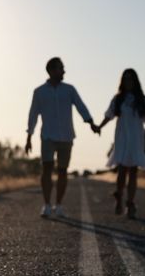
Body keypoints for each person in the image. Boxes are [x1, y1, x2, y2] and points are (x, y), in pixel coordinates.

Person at [25, 57, 100, 217]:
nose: (63, 71)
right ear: (52, 70)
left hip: (66, 136)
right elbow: (33, 114)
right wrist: (29, 137)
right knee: (47, 169)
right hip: (47, 136)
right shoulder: (39, 92)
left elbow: (81, 106)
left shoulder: (69, 89)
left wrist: (91, 123)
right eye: (61, 68)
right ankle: (46, 205)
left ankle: (58, 205)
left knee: (63, 171)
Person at [97, 68, 145, 219]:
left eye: (131, 78)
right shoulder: (118, 99)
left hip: (136, 137)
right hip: (122, 137)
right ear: (122, 81)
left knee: (134, 169)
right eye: (126, 78)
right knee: (122, 168)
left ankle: (130, 203)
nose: (128, 81)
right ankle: (119, 196)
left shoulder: (143, 100)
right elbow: (109, 115)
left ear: (135, 81)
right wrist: (99, 127)